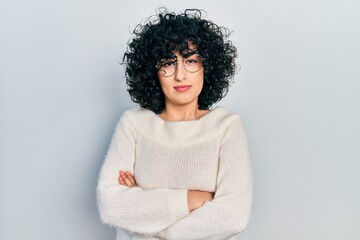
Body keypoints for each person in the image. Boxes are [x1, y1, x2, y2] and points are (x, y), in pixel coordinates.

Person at [97, 8, 253, 240]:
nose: (180, 75)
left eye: (190, 60)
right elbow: (110, 205)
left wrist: (143, 214)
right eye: (168, 63)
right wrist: (189, 200)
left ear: (206, 67)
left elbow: (232, 216)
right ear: (154, 71)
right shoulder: (134, 125)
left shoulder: (226, 126)